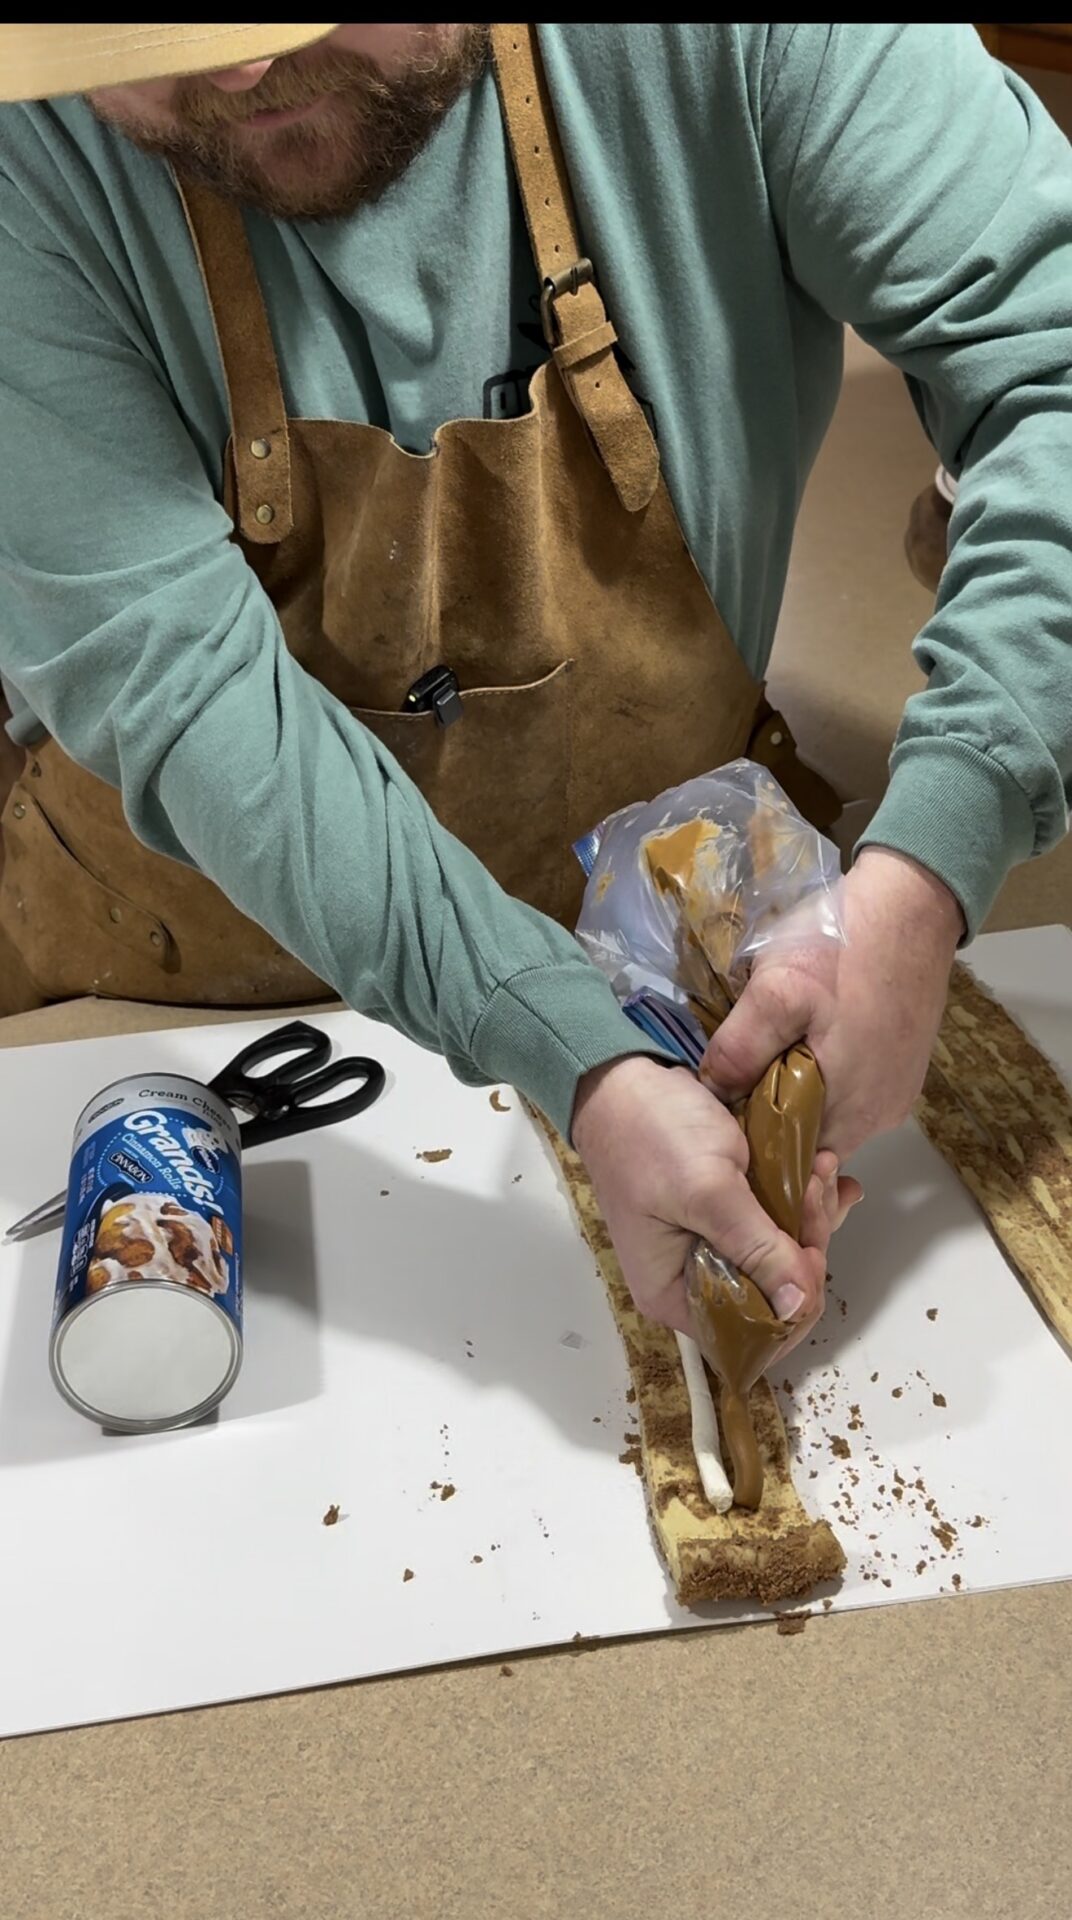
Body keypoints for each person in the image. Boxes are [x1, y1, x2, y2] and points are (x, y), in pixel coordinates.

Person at [1, 25, 1069, 1347]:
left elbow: (1056, 362)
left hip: (679, 946)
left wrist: (928, 872)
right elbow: (181, 688)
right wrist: (569, 1047)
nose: (232, 71)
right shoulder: (20, 142)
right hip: (166, 1005)